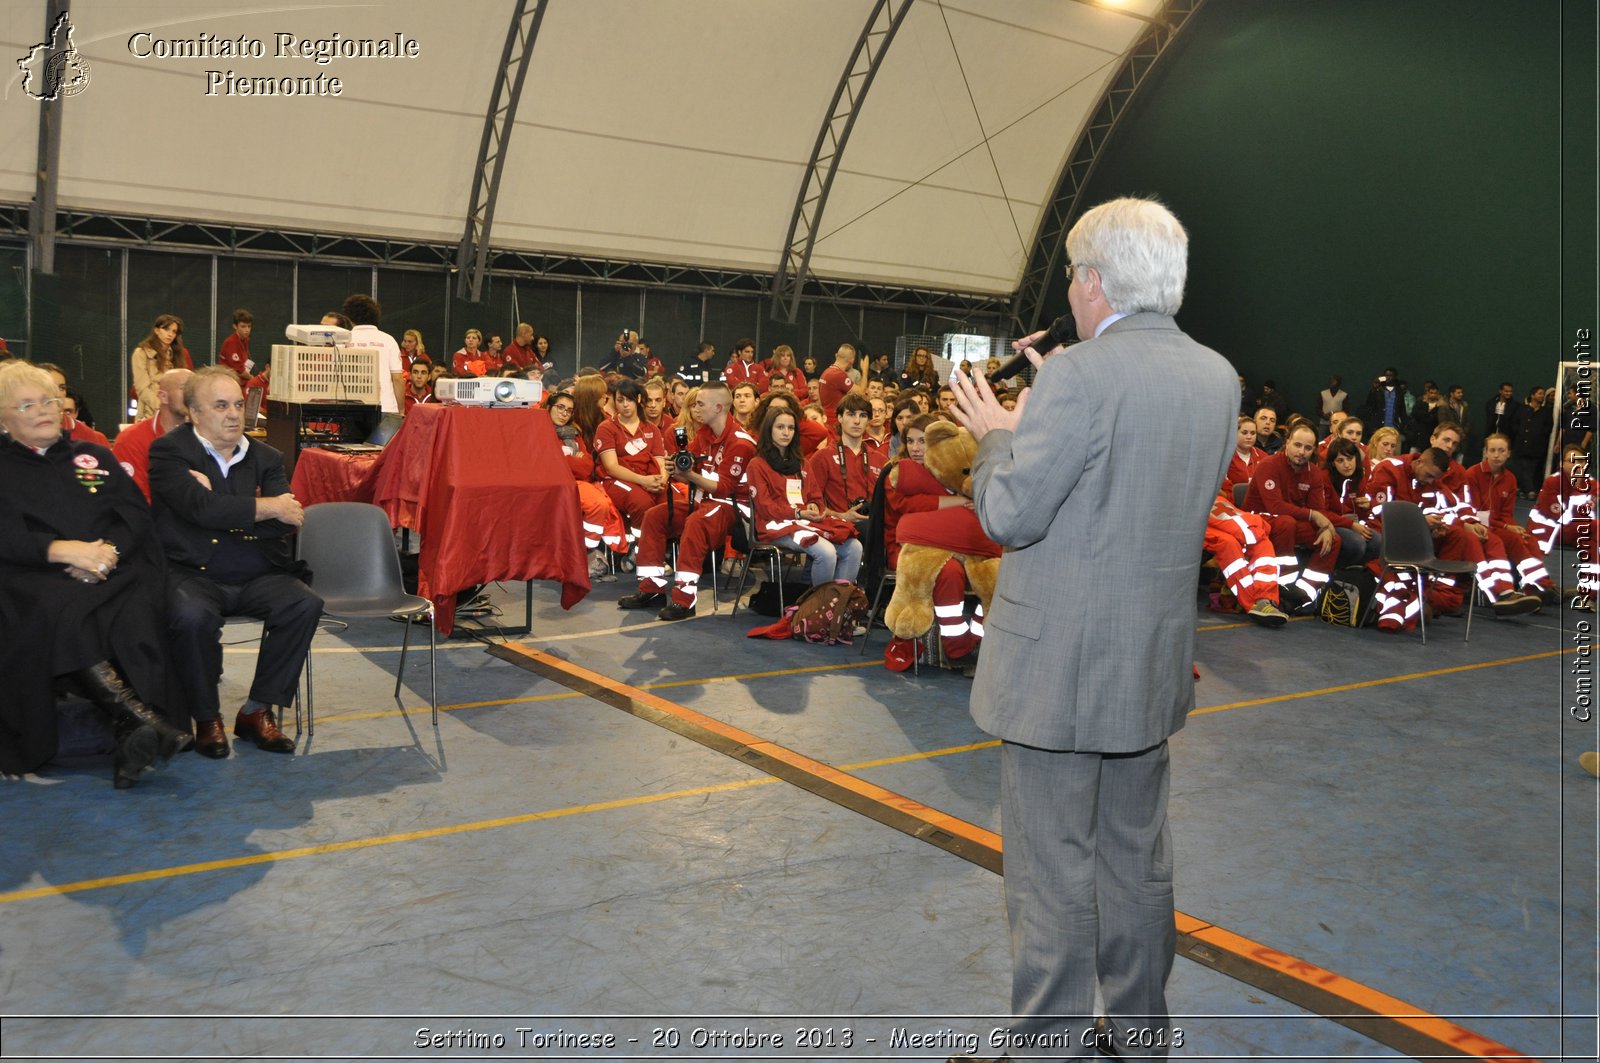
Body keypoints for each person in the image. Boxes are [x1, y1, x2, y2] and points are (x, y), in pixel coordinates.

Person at [949, 197, 1238, 1054]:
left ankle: (1053, 1041)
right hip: (1148, 667)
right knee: (1135, 863)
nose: (1071, 292)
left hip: (1056, 678)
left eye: (1074, 274)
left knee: (1049, 877)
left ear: (1095, 280)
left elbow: (1009, 513)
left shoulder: (1076, 378)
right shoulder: (1217, 378)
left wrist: (1003, 434)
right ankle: (1143, 1031)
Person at [0, 362, 193, 785]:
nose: (42, 410)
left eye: (48, 400)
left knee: (139, 602)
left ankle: (132, 729)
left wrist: (107, 555)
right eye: (27, 405)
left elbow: (133, 518)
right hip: (33, 574)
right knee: (58, 608)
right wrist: (59, 551)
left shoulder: (96, 455)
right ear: (4, 417)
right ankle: (138, 718)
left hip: (113, 570)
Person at [149, 367, 324, 759]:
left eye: (238, 404)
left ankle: (256, 710)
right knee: (192, 616)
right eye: (221, 405)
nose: (234, 414)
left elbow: (285, 522)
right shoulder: (169, 452)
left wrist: (221, 509)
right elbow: (199, 509)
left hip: (256, 572)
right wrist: (258, 509)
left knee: (303, 603)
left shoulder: (267, 457)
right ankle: (206, 718)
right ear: (194, 412)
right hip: (191, 573)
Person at [618, 382, 754, 621]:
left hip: (733, 508)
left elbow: (724, 488)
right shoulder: (705, 433)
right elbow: (687, 462)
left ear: (718, 407)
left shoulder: (741, 442)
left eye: (700, 404)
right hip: (705, 501)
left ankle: (685, 599)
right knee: (655, 516)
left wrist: (690, 475)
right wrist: (674, 466)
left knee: (696, 522)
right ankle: (651, 588)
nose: (695, 408)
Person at [744, 406, 862, 587]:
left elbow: (815, 496)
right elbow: (765, 508)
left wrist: (815, 506)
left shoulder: (802, 463)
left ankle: (838, 605)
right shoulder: (757, 464)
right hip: (775, 525)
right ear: (769, 430)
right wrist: (799, 513)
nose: (786, 433)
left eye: (791, 428)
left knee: (854, 548)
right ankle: (817, 610)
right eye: (780, 427)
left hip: (805, 522)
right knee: (827, 553)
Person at [113, 369, 192, 501]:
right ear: (163, 396)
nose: (191, 395)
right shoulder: (131, 439)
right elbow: (133, 500)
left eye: (194, 389)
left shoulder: (206, 436)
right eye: (185, 388)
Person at [340, 294, 404, 415]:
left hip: (352, 407)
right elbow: (397, 378)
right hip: (386, 407)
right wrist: (401, 409)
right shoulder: (388, 340)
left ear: (349, 318)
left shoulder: (343, 341)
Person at [131, 314, 184, 419]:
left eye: (174, 331)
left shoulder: (177, 354)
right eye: (166, 329)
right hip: (149, 414)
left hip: (172, 414)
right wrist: (161, 406)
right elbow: (142, 389)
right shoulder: (141, 353)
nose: (170, 334)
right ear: (156, 330)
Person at [217, 309, 254, 384]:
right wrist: (254, 379)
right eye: (243, 326)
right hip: (228, 383)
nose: (247, 330)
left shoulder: (245, 340)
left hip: (239, 382)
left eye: (249, 326)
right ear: (235, 326)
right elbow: (240, 371)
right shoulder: (231, 342)